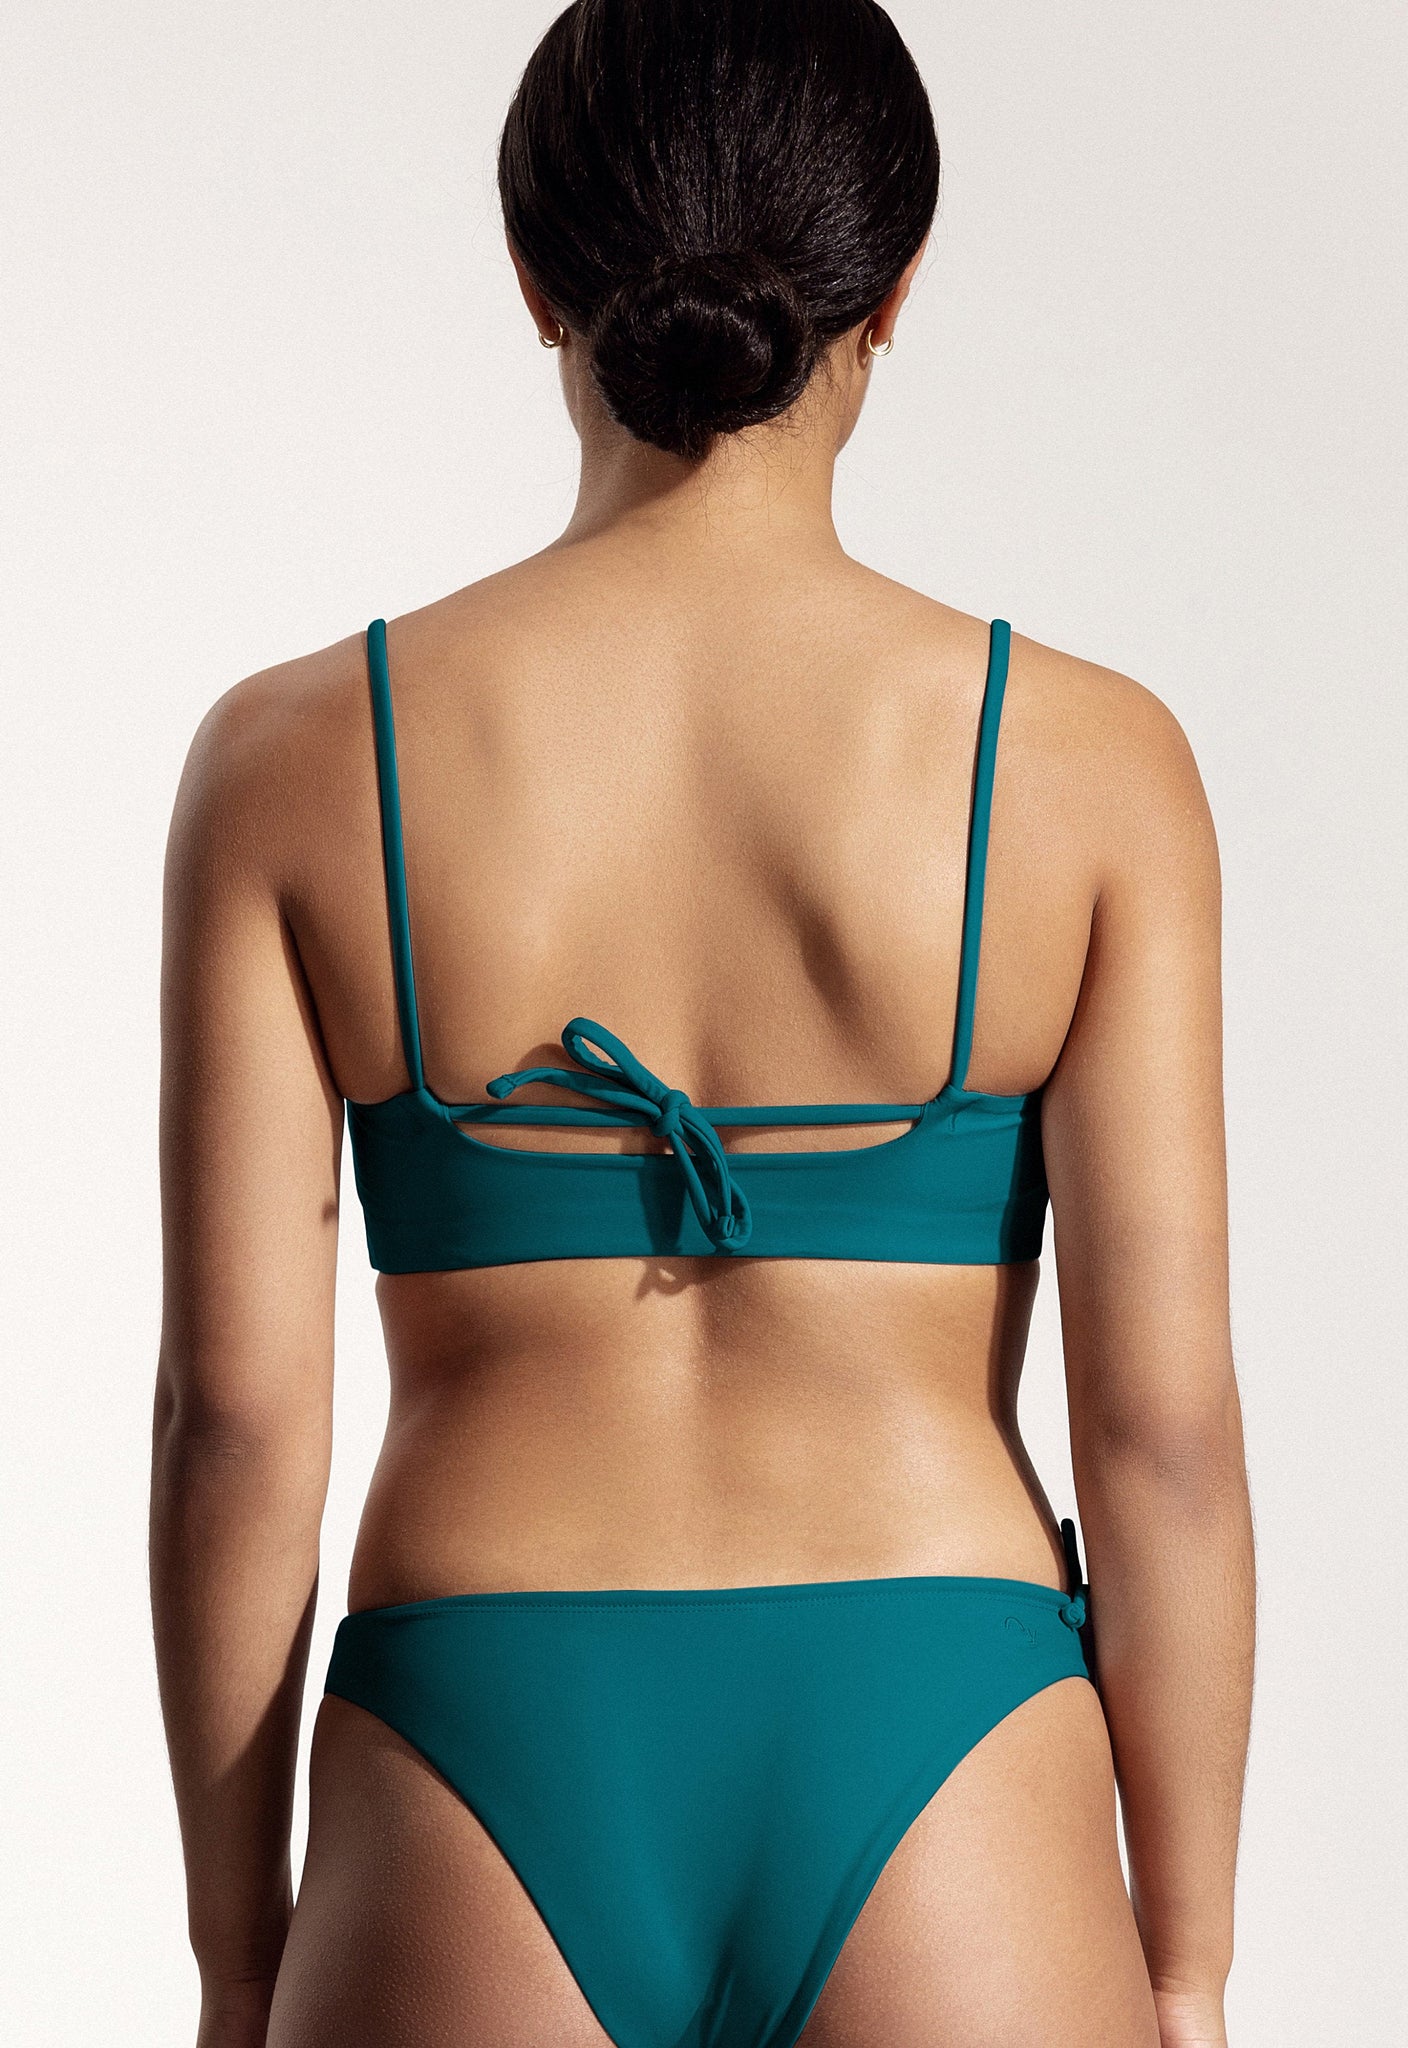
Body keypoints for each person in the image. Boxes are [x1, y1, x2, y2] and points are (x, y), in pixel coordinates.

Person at [150, 4, 1255, 2045]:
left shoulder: (297, 759)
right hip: (945, 1728)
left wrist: (237, 1962)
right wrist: (1180, 1967)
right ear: (891, 287)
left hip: (478, 1730)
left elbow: (232, 1422)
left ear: (533, 275)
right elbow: (1162, 1438)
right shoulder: (1086, 765)